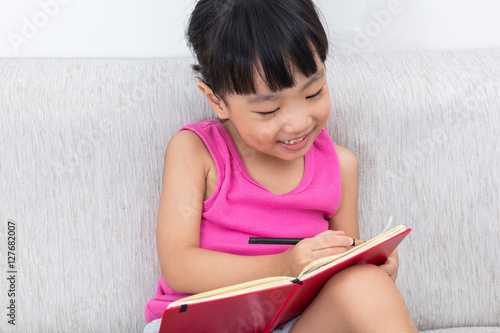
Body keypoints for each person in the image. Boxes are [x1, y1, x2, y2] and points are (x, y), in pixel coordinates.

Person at [144, 0, 418, 332]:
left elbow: (340, 267)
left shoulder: (340, 166)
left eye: (314, 92)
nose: (298, 122)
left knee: (365, 284)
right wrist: (285, 265)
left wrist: (367, 265)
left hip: (293, 323)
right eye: (269, 110)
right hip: (205, 324)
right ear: (217, 100)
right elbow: (178, 266)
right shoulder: (197, 152)